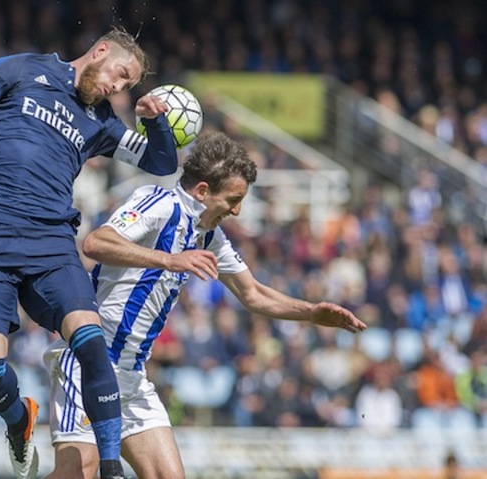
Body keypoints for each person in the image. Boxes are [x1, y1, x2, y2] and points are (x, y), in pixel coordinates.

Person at [0, 28, 178, 479]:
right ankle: (20, 420)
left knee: (93, 345)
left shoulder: (103, 121)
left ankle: (110, 466)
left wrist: (155, 121)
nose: (118, 88)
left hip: (51, 244)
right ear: (101, 51)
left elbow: (161, 163)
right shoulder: (20, 68)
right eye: (120, 75)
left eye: (127, 86)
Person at [43, 132, 367, 479]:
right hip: (88, 364)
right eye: (233, 199)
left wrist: (312, 312)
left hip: (132, 378)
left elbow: (253, 293)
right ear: (202, 191)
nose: (238, 210)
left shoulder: (209, 236)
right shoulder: (159, 203)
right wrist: (169, 260)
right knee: (79, 473)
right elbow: (95, 243)